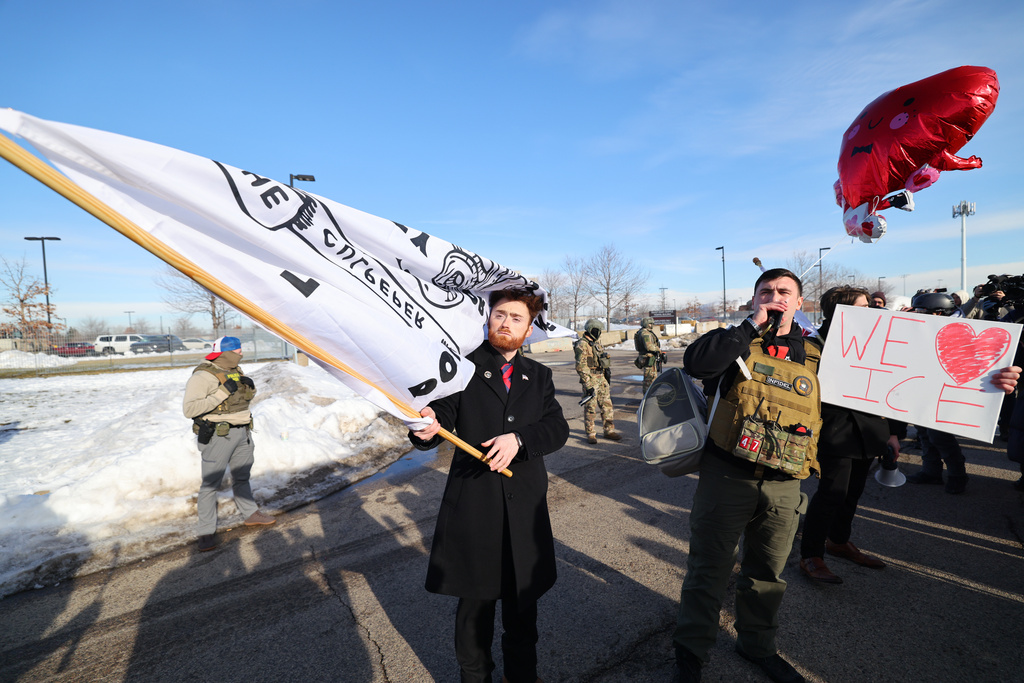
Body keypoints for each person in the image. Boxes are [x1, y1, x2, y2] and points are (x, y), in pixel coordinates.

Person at [409, 288, 570, 683]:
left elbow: (557, 428)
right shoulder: (462, 368)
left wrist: (520, 440)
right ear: (488, 319)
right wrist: (428, 425)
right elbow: (441, 413)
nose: (506, 323)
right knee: (474, 614)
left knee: (522, 613)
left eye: (516, 318)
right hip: (475, 507)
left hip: (524, 510)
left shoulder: (540, 376)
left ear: (529, 329)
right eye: (500, 315)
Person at [674, 268, 818, 683]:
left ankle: (757, 646)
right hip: (727, 476)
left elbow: (856, 402)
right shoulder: (734, 340)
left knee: (768, 573)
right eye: (766, 292)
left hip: (785, 482)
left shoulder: (816, 353)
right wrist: (750, 326)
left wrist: (991, 385)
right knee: (709, 568)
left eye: (784, 292)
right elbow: (697, 364)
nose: (775, 297)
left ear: (799, 302)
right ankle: (690, 649)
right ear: (754, 299)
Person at [799, 286, 899, 584]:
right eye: (862, 307)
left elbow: (893, 384)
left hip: (870, 429)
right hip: (835, 430)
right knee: (831, 493)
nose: (870, 311)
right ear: (841, 310)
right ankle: (811, 555)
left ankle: (839, 541)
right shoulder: (814, 342)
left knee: (853, 492)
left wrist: (893, 433)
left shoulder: (878, 339)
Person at [182, 336, 275, 552]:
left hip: (243, 432)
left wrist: (249, 389)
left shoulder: (236, 371)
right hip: (218, 436)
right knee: (210, 484)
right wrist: (223, 391)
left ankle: (250, 514)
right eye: (238, 350)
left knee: (242, 477)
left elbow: (237, 401)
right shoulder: (202, 376)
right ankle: (206, 531)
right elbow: (190, 410)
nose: (242, 353)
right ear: (226, 353)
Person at [574, 318, 622, 444]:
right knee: (591, 407)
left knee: (607, 405)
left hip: (601, 378)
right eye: (597, 330)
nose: (599, 332)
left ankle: (609, 430)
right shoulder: (582, 344)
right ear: (591, 330)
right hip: (591, 378)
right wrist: (588, 384)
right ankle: (591, 433)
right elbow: (581, 366)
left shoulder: (596, 343)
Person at [634, 316, 663, 394]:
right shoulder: (645, 334)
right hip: (648, 358)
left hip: (647, 357)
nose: (652, 325)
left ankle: (650, 395)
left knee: (651, 378)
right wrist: (658, 349)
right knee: (649, 379)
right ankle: (647, 396)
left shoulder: (642, 332)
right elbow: (649, 346)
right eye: (650, 323)